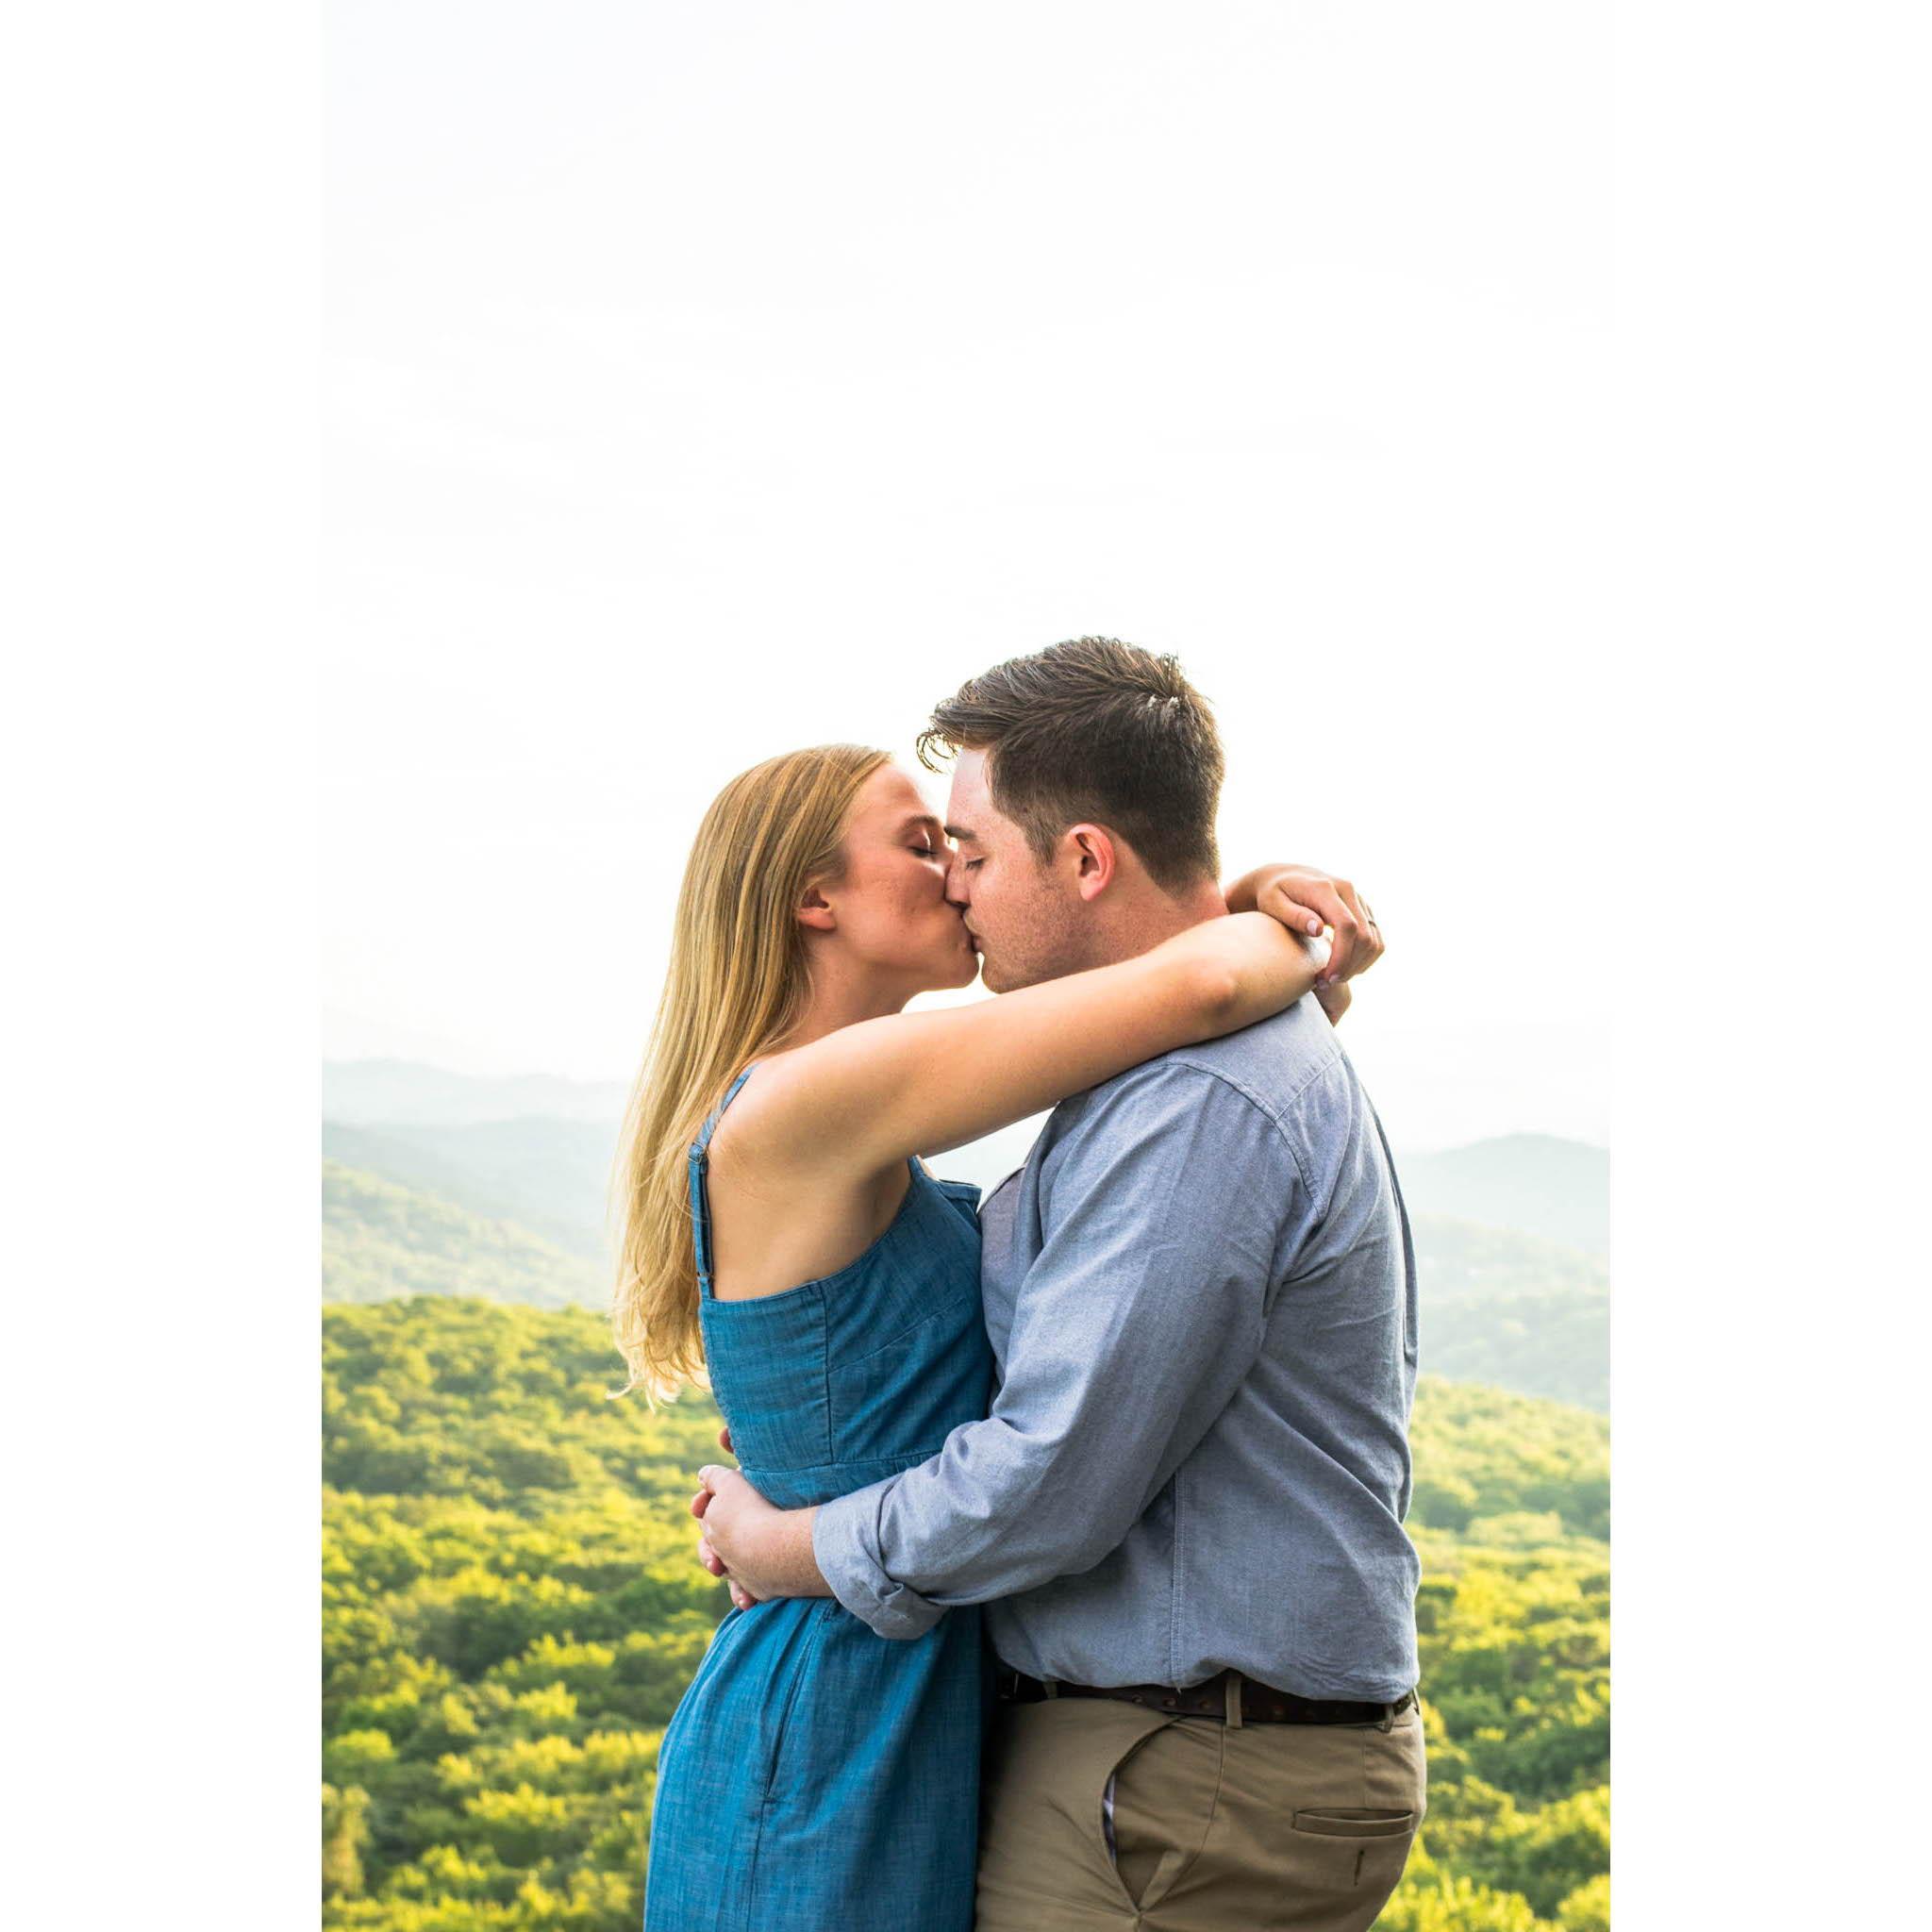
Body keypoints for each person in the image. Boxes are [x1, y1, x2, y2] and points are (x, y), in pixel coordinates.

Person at [611, 656, 1380, 1932]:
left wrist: (1233, 898)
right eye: (925, 843)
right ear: (816, 900)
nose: (958, 870)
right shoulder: (803, 1104)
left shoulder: (848, 1117)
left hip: (917, 1697)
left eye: (963, 843)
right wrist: (1270, 922)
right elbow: (1186, 985)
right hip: (828, 1715)